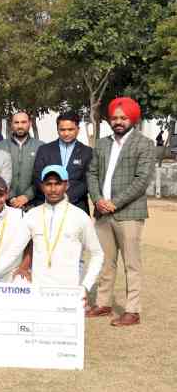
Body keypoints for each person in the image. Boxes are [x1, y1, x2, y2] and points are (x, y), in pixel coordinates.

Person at [0, 166, 104, 299]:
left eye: (58, 183)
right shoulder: (32, 215)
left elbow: (97, 254)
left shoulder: (80, 216)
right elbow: (14, 250)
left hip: (70, 290)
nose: (53, 189)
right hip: (39, 291)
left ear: (66, 185)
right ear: (42, 186)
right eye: (48, 184)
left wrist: (85, 286)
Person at [86, 97, 156, 326]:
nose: (118, 121)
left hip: (129, 213)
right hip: (102, 212)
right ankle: (104, 304)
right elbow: (92, 174)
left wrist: (115, 202)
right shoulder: (103, 143)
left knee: (131, 263)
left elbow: (141, 180)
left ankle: (132, 310)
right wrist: (97, 200)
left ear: (132, 119)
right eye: (114, 117)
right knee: (106, 262)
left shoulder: (144, 144)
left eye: (123, 117)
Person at [33, 112, 92, 213]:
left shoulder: (87, 152)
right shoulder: (44, 150)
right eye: (62, 130)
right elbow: (37, 177)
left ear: (78, 129)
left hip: (76, 206)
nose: (66, 133)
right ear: (57, 129)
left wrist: (66, 197)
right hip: (47, 205)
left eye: (70, 129)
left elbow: (87, 181)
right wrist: (53, 196)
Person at [0, 111, 44, 210]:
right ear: (11, 125)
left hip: (33, 205)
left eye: (23, 122)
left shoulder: (41, 147)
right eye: (16, 122)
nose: (20, 126)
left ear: (30, 123)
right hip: (6, 205)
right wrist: (11, 197)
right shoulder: (0, 147)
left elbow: (42, 176)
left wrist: (27, 196)